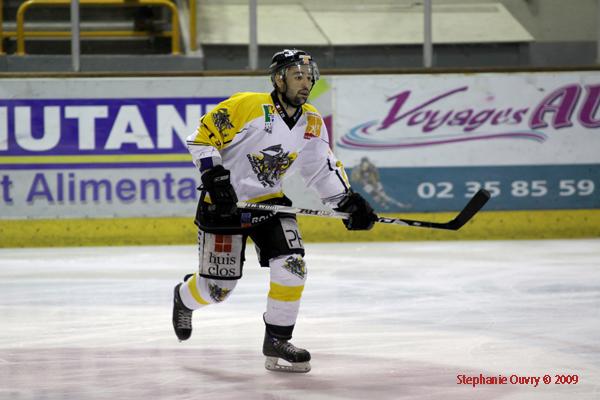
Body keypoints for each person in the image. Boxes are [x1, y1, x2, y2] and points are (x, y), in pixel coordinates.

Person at [172, 49, 377, 373]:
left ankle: (278, 340)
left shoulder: (311, 121)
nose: (305, 83)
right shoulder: (247, 106)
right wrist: (214, 175)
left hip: (269, 203)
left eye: (309, 77)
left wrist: (345, 201)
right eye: (297, 76)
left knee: (292, 265)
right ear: (279, 79)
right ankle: (184, 297)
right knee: (217, 290)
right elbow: (201, 139)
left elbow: (319, 168)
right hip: (224, 207)